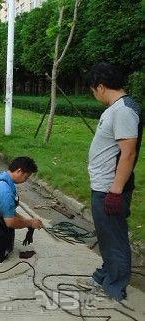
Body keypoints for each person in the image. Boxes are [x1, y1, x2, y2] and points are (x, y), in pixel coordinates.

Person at [77, 62, 143, 301]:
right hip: (103, 186)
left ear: (101, 87)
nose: (94, 95)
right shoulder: (116, 108)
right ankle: (106, 274)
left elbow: (128, 153)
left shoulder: (124, 110)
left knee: (114, 238)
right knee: (106, 235)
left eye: (94, 91)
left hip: (111, 189)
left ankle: (115, 287)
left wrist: (115, 191)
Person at [0, 156, 43, 267]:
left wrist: (27, 221)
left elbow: (9, 211)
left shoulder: (4, 175)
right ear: (19, 171)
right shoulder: (5, 190)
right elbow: (10, 222)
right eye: (26, 176)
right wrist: (30, 223)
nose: (26, 180)